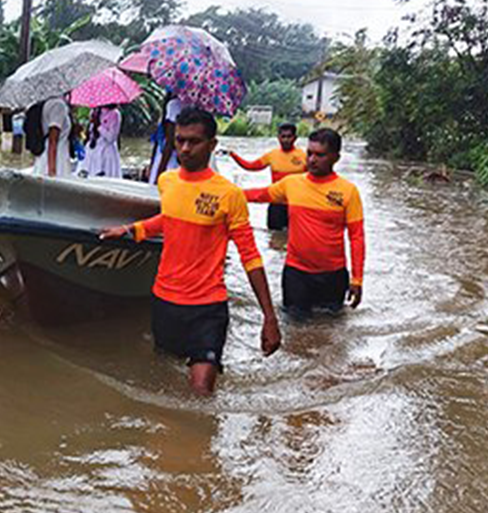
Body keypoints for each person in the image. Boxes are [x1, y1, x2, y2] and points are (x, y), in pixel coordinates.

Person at [100, 107, 281, 396]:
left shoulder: (229, 195)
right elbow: (169, 220)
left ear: (212, 145)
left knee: (200, 390)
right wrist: (132, 230)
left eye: (194, 141)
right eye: (180, 140)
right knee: (165, 379)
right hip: (165, 300)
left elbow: (250, 257)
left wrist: (269, 318)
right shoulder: (167, 181)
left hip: (207, 308)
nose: (185, 148)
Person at [243, 128, 364, 318]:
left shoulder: (348, 191)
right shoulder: (291, 184)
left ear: (335, 157)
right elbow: (259, 195)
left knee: (331, 334)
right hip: (296, 274)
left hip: (333, 276)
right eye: (309, 153)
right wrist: (227, 194)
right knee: (294, 332)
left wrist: (357, 279)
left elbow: (357, 237)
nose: (312, 160)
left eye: (320, 155)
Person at [227, 123, 306, 231]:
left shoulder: (304, 156)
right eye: (283, 137)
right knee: (274, 237)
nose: (286, 140)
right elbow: (251, 166)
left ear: (295, 138)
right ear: (278, 137)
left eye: (289, 136)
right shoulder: (272, 155)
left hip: (296, 205)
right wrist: (233, 155)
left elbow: (314, 179)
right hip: (276, 204)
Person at [33, 95, 73, 178]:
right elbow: (53, 140)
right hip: (56, 158)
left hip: (46, 156)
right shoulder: (58, 105)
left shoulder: (47, 103)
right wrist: (52, 172)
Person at [147, 95, 181, 183]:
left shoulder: (174, 105)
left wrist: (159, 173)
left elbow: (169, 143)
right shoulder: (194, 107)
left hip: (168, 158)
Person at [83, 104, 123, 178]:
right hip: (93, 152)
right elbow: (90, 133)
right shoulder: (94, 111)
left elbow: (111, 138)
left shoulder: (115, 114)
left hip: (107, 154)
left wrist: (99, 126)